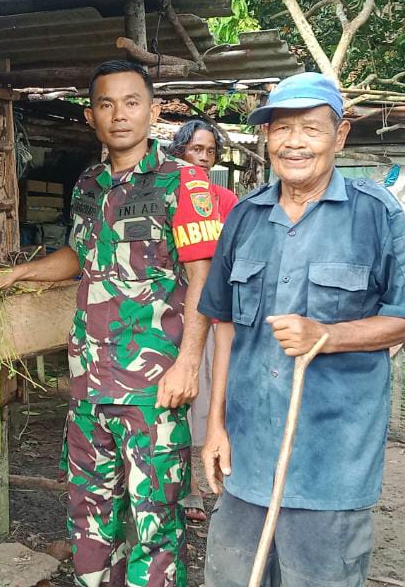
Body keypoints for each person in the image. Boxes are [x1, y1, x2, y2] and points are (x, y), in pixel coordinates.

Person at [0, 60, 223, 587]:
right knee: (89, 520)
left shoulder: (184, 182)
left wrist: (188, 364)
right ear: (91, 116)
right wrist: (19, 274)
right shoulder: (89, 183)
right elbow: (78, 254)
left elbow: (205, 279)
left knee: (156, 525)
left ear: (154, 111)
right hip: (89, 385)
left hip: (153, 388)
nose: (119, 115)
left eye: (132, 102)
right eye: (106, 104)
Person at [196, 72, 405, 587]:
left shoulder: (375, 214)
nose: (294, 142)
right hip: (249, 455)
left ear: (340, 136)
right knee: (232, 578)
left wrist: (327, 335)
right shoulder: (245, 216)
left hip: (332, 459)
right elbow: (224, 324)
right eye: (281, 129)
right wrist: (215, 426)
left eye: (310, 128)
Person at [166, 119, 239, 523]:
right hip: (171, 307)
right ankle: (187, 485)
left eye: (210, 151)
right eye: (196, 149)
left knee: (209, 391)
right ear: (180, 151)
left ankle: (210, 472)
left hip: (213, 309)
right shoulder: (168, 190)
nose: (203, 157)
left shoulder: (225, 199)